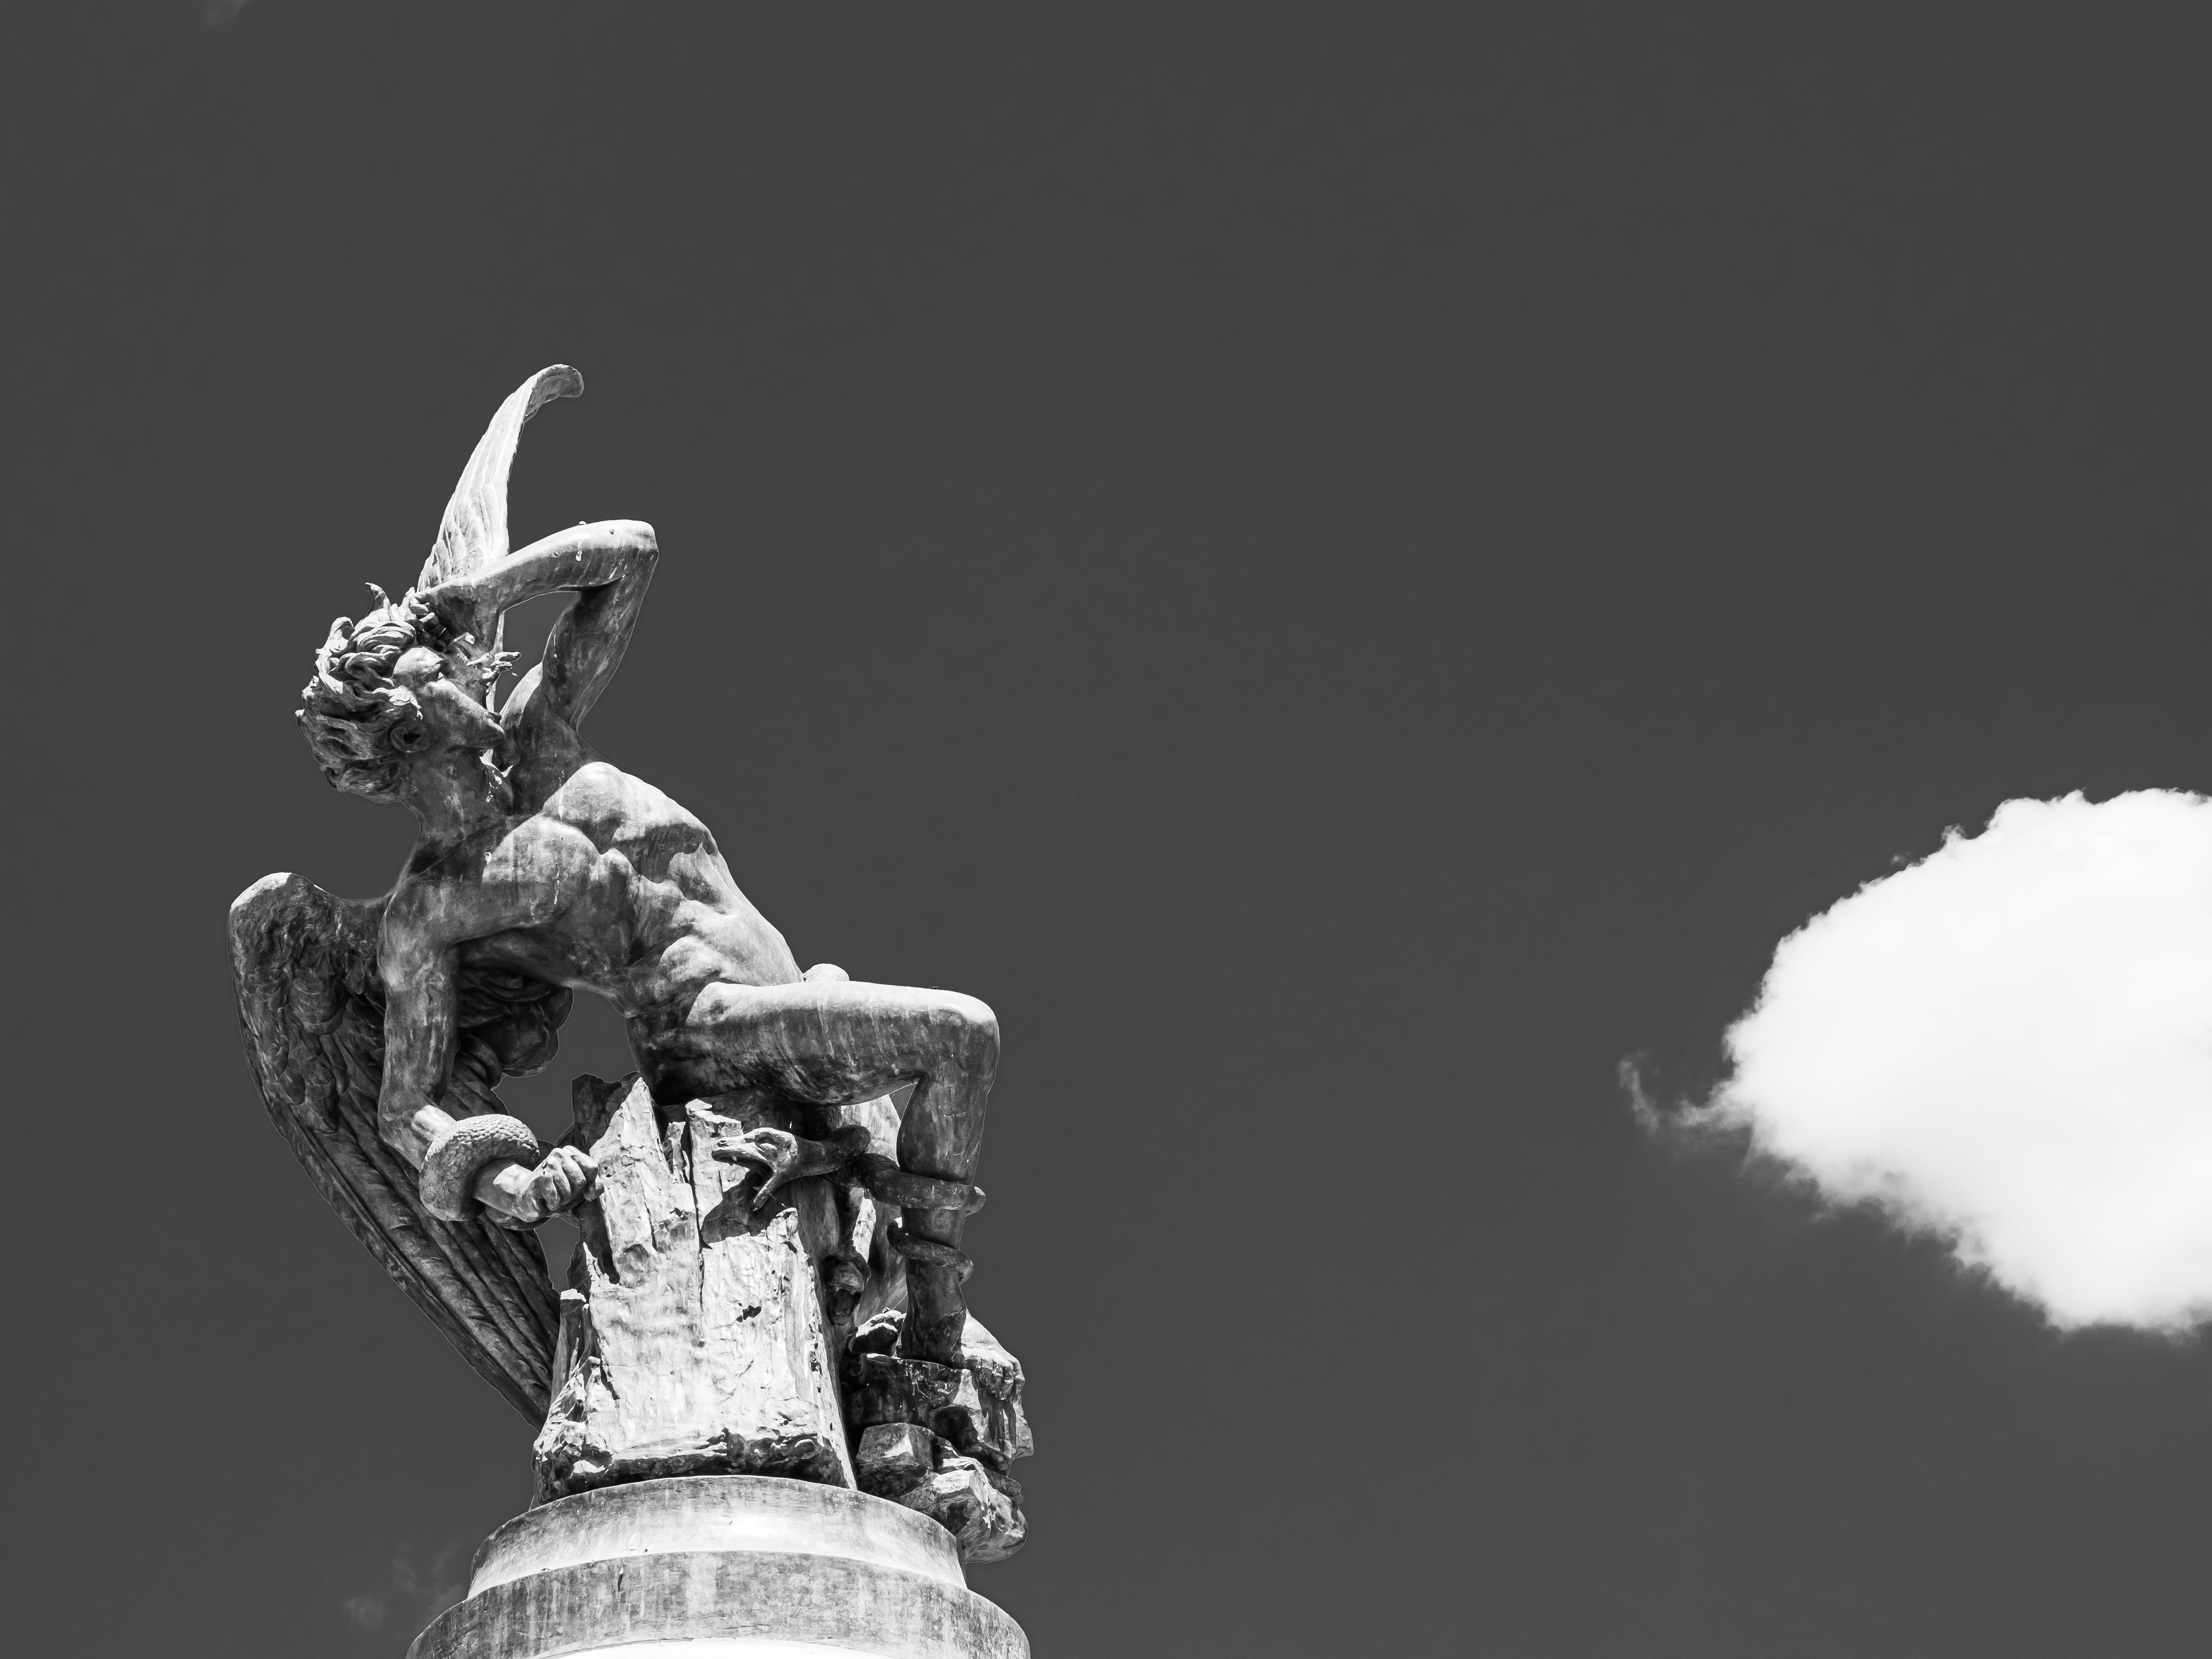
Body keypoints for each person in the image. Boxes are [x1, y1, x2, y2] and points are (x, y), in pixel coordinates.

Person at [296, 519, 996, 1365]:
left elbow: (632, 552)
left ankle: (888, 1246)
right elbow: (405, 1104)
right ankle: (937, 1307)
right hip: (706, 1022)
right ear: (407, 730)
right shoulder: (433, 906)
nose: (473, 670)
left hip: (785, 986)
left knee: (945, 1044)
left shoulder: (539, 732)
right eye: (442, 672)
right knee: (961, 1035)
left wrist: (486, 593)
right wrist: (511, 1181)